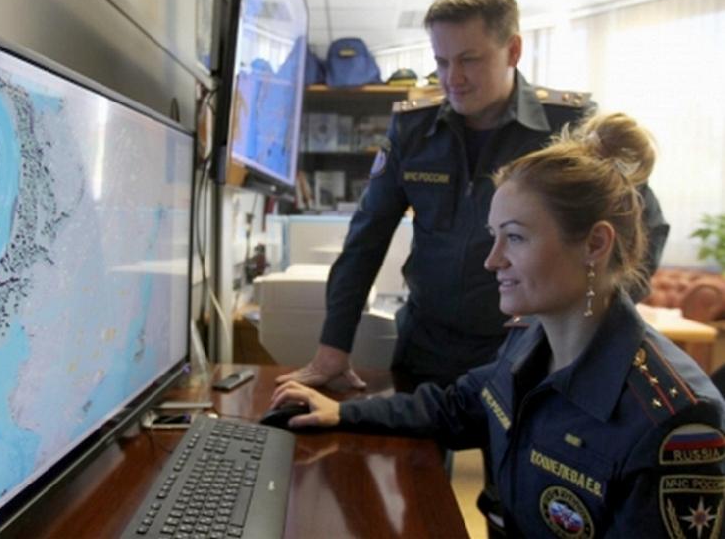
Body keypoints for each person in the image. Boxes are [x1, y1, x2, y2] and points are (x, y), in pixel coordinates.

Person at [271, 112, 725, 538]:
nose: (492, 261)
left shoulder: (674, 418)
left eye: (516, 237)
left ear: (595, 244)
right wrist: (342, 413)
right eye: (495, 237)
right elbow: (455, 407)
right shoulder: (527, 343)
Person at [276, 0, 669, 393]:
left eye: (469, 60)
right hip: (425, 348)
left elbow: (647, 229)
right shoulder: (414, 129)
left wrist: (587, 324)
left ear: (513, 51)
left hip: (530, 355)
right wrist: (333, 347)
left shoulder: (568, 125)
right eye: (442, 61)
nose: (453, 78)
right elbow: (365, 240)